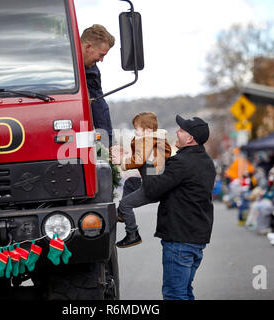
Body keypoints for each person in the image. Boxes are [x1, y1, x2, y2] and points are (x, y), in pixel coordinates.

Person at [141, 115, 216, 300]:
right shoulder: (206, 161)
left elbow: (152, 189)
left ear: (190, 138)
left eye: (181, 130)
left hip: (180, 239)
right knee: (184, 291)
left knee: (174, 295)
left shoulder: (182, 162)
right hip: (195, 238)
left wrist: (145, 163)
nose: (177, 131)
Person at [112, 112, 171, 248]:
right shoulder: (155, 140)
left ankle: (132, 234)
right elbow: (146, 160)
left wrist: (122, 161)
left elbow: (139, 160)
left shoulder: (149, 140)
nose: (134, 131)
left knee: (126, 204)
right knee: (131, 182)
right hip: (153, 181)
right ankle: (122, 214)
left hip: (153, 186)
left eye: (136, 129)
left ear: (147, 130)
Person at [80, 24, 115, 147]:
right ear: (88, 47)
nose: (101, 60)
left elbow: (99, 107)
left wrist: (108, 144)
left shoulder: (92, 72)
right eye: (101, 55)